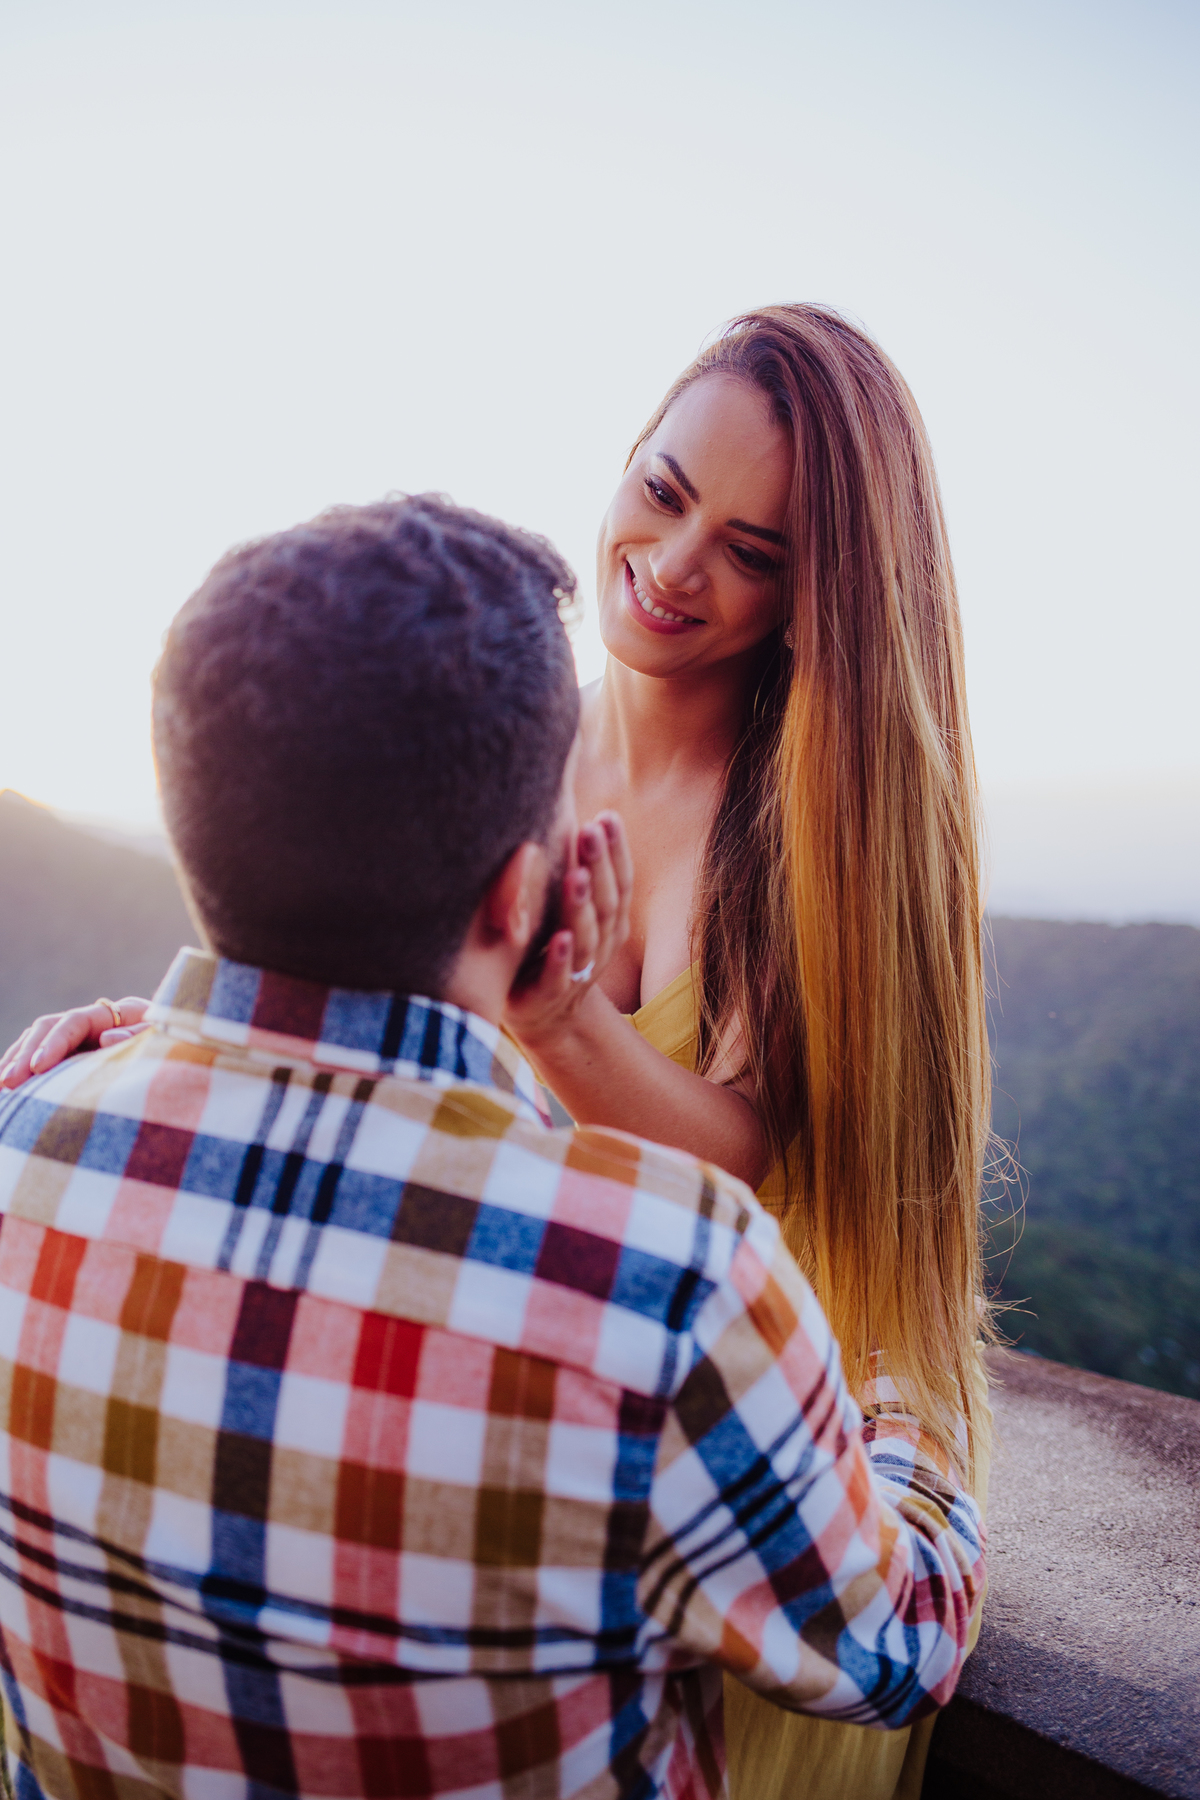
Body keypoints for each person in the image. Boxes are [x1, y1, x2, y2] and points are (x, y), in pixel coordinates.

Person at [4, 306, 994, 1799]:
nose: (671, 569)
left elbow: (748, 1150)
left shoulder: (805, 822)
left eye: (752, 550)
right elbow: (358, 979)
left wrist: (564, 1022)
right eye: (663, 493)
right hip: (476, 1363)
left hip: (699, 1430)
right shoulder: (507, 725)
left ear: (820, 594)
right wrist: (157, 1046)